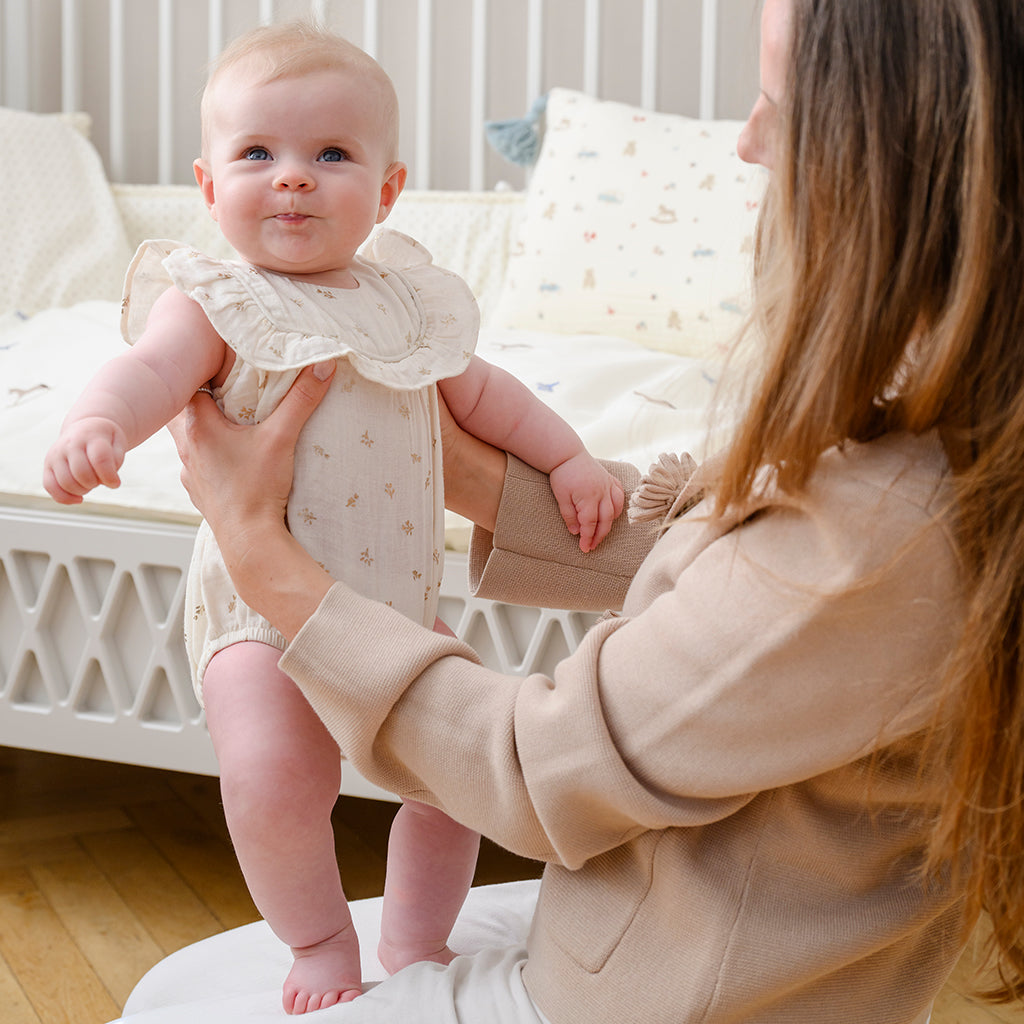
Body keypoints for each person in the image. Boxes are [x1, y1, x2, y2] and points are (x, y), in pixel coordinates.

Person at [119, 0, 1024, 1021]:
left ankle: (392, 940)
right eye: (255, 152)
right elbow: (746, 591)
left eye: (778, 100)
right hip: (654, 922)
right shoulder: (949, 442)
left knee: (167, 1001)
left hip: (657, 990)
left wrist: (263, 554)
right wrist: (467, 473)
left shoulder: (880, 529)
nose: (747, 140)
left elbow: (531, 769)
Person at [42, 22, 624, 1017]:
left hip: (394, 607)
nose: (294, 178)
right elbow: (146, 372)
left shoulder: (405, 305)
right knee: (273, 778)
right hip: (260, 621)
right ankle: (317, 937)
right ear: (207, 182)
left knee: (459, 777)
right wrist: (99, 420)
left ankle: (416, 935)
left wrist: (567, 457)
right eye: (257, 153)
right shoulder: (218, 301)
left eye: (331, 155)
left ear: (389, 190)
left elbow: (487, 398)